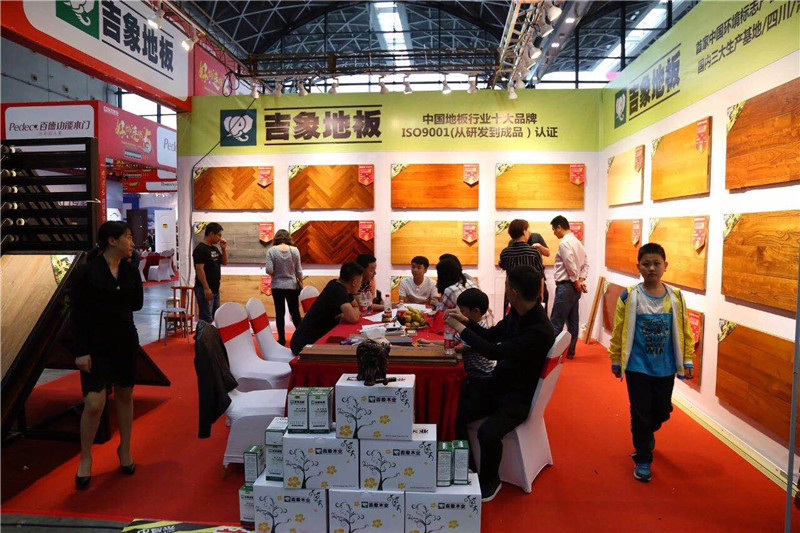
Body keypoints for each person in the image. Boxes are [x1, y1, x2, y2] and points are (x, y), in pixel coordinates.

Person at [448, 265, 555, 501]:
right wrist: (467, 323)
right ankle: (467, 467)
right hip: (502, 384)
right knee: (456, 410)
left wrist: (461, 329)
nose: (505, 288)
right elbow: (492, 335)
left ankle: (490, 481)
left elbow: (493, 352)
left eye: (506, 285)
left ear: (513, 292)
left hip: (519, 397)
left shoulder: (538, 329)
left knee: (488, 433)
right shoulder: (520, 313)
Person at [608, 243, 695, 483]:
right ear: (638, 267)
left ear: (665, 266)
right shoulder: (629, 296)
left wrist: (688, 359)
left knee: (661, 411)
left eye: (656, 263)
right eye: (646, 264)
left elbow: (685, 330)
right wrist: (616, 358)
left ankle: (647, 431)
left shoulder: (675, 297)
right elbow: (618, 330)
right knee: (640, 413)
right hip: (638, 366)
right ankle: (644, 457)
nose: (652, 268)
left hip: (665, 367)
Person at [69, 221, 144, 490]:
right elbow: (77, 314)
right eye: (128, 237)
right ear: (111, 241)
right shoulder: (86, 272)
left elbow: (137, 304)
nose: (132, 242)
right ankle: (85, 457)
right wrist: (81, 351)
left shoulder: (130, 270)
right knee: (94, 403)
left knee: (125, 394)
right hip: (95, 345)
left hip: (125, 341)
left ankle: (125, 449)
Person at [290, 262, 364, 355]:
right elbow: (354, 318)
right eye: (360, 282)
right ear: (354, 282)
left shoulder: (337, 284)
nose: (360, 285)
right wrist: (354, 311)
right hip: (305, 345)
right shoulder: (338, 290)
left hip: (308, 338)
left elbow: (355, 306)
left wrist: (352, 311)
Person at [549, 215, 588, 359]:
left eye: (554, 229)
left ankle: (551, 353)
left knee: (556, 321)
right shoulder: (578, 242)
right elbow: (586, 264)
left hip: (566, 286)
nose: (554, 233)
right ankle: (570, 351)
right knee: (573, 321)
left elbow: (570, 264)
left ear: (559, 227)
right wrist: (580, 281)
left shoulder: (564, 243)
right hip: (574, 288)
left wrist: (576, 281)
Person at [266, 229, 303, 346]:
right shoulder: (294, 250)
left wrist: (276, 273)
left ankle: (281, 339)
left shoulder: (271, 251)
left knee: (279, 313)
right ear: (288, 237)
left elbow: (269, 270)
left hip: (277, 286)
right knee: (295, 313)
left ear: (276, 238)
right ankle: (302, 336)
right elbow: (299, 270)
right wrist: (301, 283)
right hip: (292, 285)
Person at [499, 219, 547, 309]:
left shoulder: (505, 252)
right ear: (524, 232)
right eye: (528, 230)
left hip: (512, 293)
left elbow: (503, 266)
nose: (529, 233)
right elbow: (540, 274)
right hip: (530, 293)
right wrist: (541, 293)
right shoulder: (533, 252)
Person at [455, 288, 496, 383]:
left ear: (476, 311)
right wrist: (430, 343)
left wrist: (447, 349)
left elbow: (464, 348)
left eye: (462, 311)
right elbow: (452, 341)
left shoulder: (481, 328)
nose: (460, 314)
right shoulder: (465, 326)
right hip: (473, 373)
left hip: (484, 375)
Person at [193, 223, 227, 325]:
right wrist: (206, 288)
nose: (220, 238)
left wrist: (223, 249)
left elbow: (224, 262)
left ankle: (212, 335)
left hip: (215, 288)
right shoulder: (200, 249)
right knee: (206, 319)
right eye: (219, 235)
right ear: (211, 234)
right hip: (204, 288)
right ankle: (202, 336)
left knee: (216, 316)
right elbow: (199, 270)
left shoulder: (214, 249)